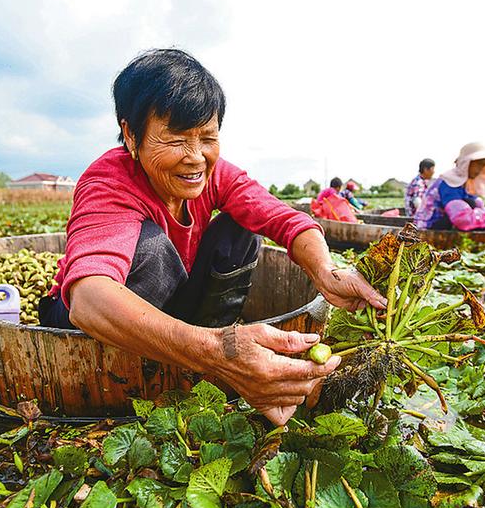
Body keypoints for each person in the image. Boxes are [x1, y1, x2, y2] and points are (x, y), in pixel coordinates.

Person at [38, 49, 386, 426]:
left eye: (207, 137)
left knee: (240, 232)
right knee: (152, 248)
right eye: (175, 140)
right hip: (86, 327)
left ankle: (204, 356)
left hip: (171, 309)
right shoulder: (109, 182)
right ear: (131, 134)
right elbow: (89, 300)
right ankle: (209, 354)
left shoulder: (212, 173)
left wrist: (326, 273)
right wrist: (218, 352)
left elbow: (287, 220)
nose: (195, 157)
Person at [415, 143, 485, 232]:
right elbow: (460, 218)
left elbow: (477, 205)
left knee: (474, 203)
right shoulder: (449, 183)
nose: (481, 169)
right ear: (466, 163)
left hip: (446, 224)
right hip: (429, 227)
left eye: (484, 165)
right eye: (478, 164)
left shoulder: (462, 184)